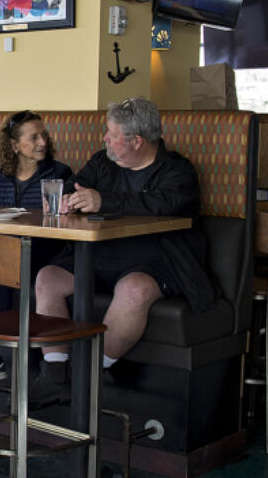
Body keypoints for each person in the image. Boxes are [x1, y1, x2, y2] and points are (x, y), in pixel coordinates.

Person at [30, 97, 216, 406]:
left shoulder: (178, 172)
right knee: (47, 277)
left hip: (156, 260)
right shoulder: (103, 162)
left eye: (112, 133)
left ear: (137, 141)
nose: (105, 138)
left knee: (133, 290)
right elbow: (77, 184)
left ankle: (86, 373)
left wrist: (103, 202)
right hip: (99, 255)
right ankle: (55, 374)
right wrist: (66, 199)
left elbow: (162, 205)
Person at [0, 111, 71, 381]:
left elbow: (60, 222)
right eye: (34, 137)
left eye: (44, 136)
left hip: (43, 250)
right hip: (4, 247)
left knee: (1, 270)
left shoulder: (59, 174)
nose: (42, 142)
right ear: (14, 145)